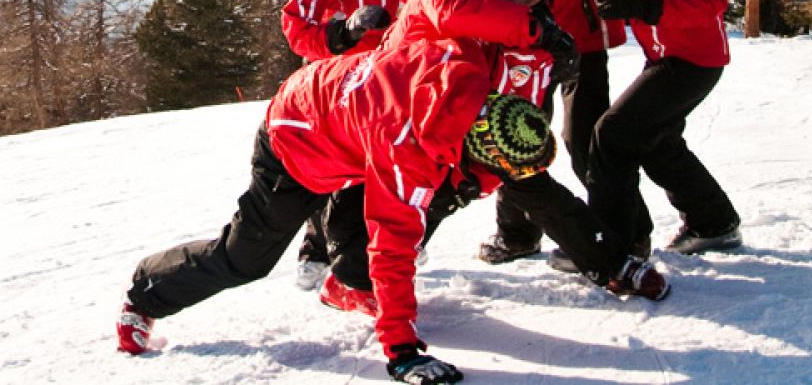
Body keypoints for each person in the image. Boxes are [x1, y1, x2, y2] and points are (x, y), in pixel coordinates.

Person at [116, 32, 555, 384]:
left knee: (419, 200)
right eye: (494, 170)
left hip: (347, 132)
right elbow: (393, 247)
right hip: (294, 141)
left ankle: (348, 285)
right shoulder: (405, 148)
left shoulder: (468, 70)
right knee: (245, 259)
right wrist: (401, 351)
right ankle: (146, 294)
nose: (494, 182)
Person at [407, 0, 701, 263]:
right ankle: (517, 234)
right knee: (513, 135)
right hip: (526, 45)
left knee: (583, 138)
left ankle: (627, 234)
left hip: (584, 43)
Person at [280, 0, 478, 290]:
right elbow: (297, 29)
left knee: (397, 156)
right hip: (338, 76)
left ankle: (393, 236)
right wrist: (343, 32)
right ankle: (316, 245)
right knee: (330, 163)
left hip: (393, 68)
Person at [576, 0, 741, 255]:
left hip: (693, 59)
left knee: (612, 134)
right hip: (665, 55)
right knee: (656, 140)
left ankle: (616, 244)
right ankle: (714, 222)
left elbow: (713, 2)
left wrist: (649, 8)